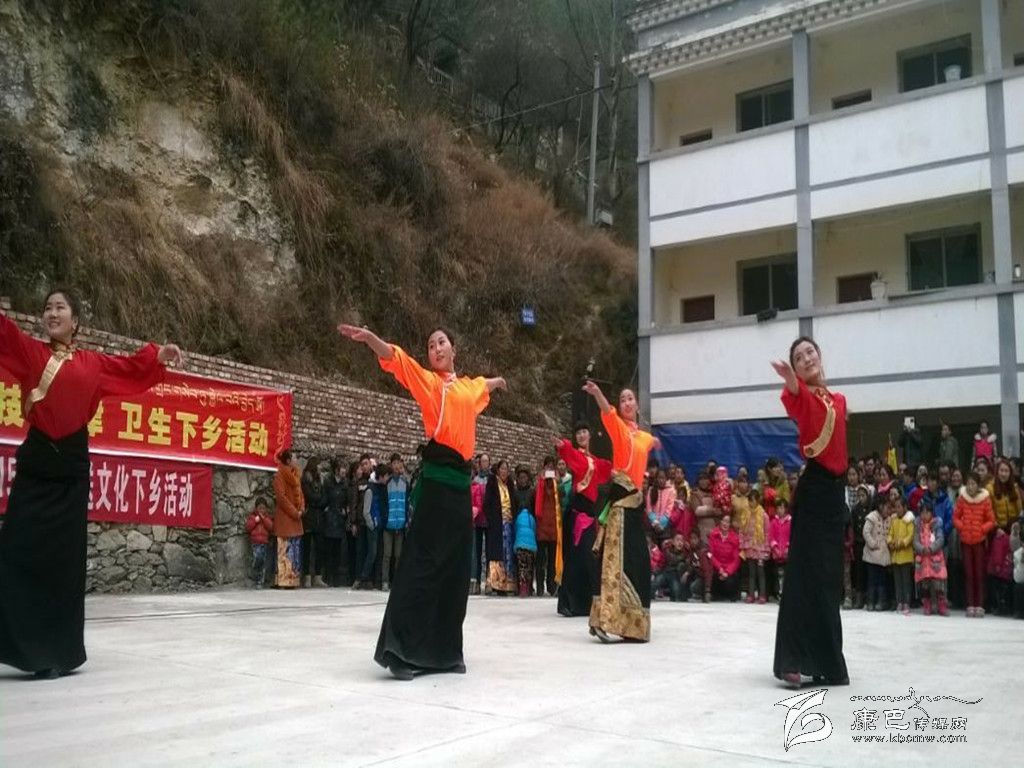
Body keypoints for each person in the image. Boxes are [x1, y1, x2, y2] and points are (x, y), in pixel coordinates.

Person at [0, 290, 181, 679]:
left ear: (75, 321)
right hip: (37, 465)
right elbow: (4, 334)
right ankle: (18, 645)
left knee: (63, 563)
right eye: (47, 308)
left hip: (71, 469)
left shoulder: (92, 364)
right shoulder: (30, 353)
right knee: (15, 550)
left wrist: (158, 357)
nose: (52, 313)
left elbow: (129, 369)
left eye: (60, 308)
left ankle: (56, 654)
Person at [338, 324, 506, 680]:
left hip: (460, 489)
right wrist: (372, 340)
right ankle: (398, 649)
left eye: (442, 342)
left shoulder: (468, 387)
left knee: (456, 570)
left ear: (453, 349)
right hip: (437, 486)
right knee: (421, 565)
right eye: (431, 345)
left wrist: (498, 381)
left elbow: (484, 386)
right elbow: (397, 360)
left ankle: (444, 653)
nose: (436, 348)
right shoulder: (430, 383)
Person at [771, 337, 850, 689]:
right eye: (798, 357)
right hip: (814, 490)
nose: (806, 359)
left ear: (820, 355)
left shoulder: (839, 401)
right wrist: (791, 380)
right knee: (803, 576)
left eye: (809, 352)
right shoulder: (801, 396)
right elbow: (794, 395)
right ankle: (792, 661)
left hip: (835, 496)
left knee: (829, 581)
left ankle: (827, 663)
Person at [582, 380, 660, 643]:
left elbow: (650, 444)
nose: (627, 403)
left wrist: (656, 442)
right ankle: (601, 619)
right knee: (612, 563)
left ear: (637, 405)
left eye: (630, 399)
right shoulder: (618, 428)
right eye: (623, 399)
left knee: (638, 563)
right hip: (620, 505)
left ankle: (631, 624)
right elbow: (607, 411)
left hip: (635, 506)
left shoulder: (644, 438)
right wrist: (597, 393)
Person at [554, 423, 612, 617]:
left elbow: (607, 469)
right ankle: (569, 604)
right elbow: (568, 452)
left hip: (590, 514)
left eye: (584, 432)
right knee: (576, 559)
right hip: (578, 512)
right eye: (578, 433)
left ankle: (586, 604)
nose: (581, 435)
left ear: (589, 435)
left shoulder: (594, 460)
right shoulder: (578, 456)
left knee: (588, 559)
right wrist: (562, 444)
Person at [953, 471, 996, 618]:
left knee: (979, 573)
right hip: (966, 541)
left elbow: (991, 520)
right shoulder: (962, 498)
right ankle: (970, 604)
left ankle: (980, 604)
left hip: (979, 541)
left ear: (978, 485)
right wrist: (962, 527)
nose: (971, 486)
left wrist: (982, 529)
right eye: (969, 483)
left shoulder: (985, 499)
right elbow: (955, 517)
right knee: (969, 573)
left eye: (973, 484)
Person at [484, 460, 518, 595]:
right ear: (498, 470)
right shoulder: (492, 483)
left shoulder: (510, 484)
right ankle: (496, 584)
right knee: (497, 553)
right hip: (497, 523)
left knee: (508, 554)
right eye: (502, 469)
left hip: (509, 524)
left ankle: (508, 585)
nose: (504, 471)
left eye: (506, 469)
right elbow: (486, 503)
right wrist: (492, 519)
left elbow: (513, 502)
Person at [733, 477, 769, 604]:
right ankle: (751, 594)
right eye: (749, 500)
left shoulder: (764, 516)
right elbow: (742, 531)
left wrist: (766, 549)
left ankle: (762, 595)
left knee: (760, 573)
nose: (751, 503)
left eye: (753, 500)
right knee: (751, 573)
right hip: (749, 548)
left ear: (758, 501)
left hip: (760, 549)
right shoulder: (745, 514)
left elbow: (767, 533)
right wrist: (742, 544)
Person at [273, 449, 305, 589]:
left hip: (296, 518)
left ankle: (293, 579)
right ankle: (284, 580)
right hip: (285, 518)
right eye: (294, 458)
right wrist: (294, 511)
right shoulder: (279, 475)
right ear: (288, 460)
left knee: (295, 551)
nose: (296, 460)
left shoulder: (296, 475)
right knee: (284, 551)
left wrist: (301, 508)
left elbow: (301, 494)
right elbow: (281, 498)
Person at [913, 499, 948, 616]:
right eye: (922, 512)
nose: (924, 515)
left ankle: (941, 605)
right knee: (925, 584)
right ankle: (927, 604)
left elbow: (940, 539)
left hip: (935, 560)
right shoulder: (918, 526)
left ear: (932, 513)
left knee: (938, 584)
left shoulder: (937, 525)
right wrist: (922, 549)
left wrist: (932, 548)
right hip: (923, 559)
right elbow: (915, 541)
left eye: (927, 512)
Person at [533, 457, 562, 598]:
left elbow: (562, 497)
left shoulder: (558, 483)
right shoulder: (540, 482)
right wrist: (542, 480)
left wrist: (558, 481)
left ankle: (552, 586)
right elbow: (537, 497)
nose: (550, 469)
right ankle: (539, 587)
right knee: (540, 559)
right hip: (542, 525)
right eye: (547, 466)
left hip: (554, 526)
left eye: (552, 466)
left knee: (552, 559)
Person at [382, 454, 411, 593]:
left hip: (400, 523)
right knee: (387, 555)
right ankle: (385, 581)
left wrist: (405, 520)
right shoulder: (387, 483)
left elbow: (407, 503)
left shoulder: (405, 483)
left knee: (399, 555)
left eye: (398, 463)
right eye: (394, 463)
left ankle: (397, 582)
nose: (396, 466)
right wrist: (385, 519)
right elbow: (384, 503)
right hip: (388, 524)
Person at [301, 456, 328, 588]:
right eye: (318, 465)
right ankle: (306, 576)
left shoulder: (321, 481)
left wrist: (318, 501)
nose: (320, 468)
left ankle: (318, 576)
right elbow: (309, 496)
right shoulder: (305, 480)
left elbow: (325, 498)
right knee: (307, 548)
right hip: (309, 517)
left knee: (320, 547)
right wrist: (317, 499)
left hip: (319, 517)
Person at [323, 458, 350, 587]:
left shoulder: (345, 484)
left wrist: (345, 509)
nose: (344, 471)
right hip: (330, 518)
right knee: (328, 550)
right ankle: (328, 576)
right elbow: (325, 498)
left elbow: (347, 500)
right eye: (341, 468)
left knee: (338, 551)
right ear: (336, 470)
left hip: (339, 519)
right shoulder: (328, 482)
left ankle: (335, 577)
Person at [887, 495, 915, 616]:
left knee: (906, 581)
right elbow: (890, 534)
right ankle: (899, 601)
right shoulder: (894, 520)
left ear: (905, 507)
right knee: (897, 581)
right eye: (896, 507)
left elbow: (910, 536)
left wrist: (901, 543)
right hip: (895, 556)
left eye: (899, 507)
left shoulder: (909, 521)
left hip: (906, 556)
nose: (897, 509)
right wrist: (890, 542)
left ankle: (906, 602)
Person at [705, 514, 741, 602]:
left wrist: (727, 572)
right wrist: (720, 568)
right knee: (712, 577)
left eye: (728, 522)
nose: (725, 524)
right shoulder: (713, 535)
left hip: (729, 570)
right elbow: (710, 554)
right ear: (720, 522)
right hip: (717, 568)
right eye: (724, 521)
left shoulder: (735, 538)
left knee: (730, 582)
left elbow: (736, 559)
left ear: (730, 524)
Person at [245, 498, 275, 588]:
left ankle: (260, 581)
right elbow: (248, 527)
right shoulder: (252, 517)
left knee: (262, 562)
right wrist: (255, 520)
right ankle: (256, 575)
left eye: (263, 508)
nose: (262, 510)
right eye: (260, 508)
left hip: (264, 542)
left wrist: (264, 519)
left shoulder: (267, 517)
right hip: (255, 543)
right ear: (256, 508)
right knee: (258, 558)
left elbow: (271, 527)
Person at [769, 499, 792, 600]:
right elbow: (771, 537)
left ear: (786, 509)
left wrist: (787, 548)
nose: (780, 510)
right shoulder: (774, 522)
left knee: (787, 575)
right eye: (778, 508)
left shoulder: (790, 522)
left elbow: (792, 536)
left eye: (782, 508)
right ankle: (777, 593)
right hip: (776, 553)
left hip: (787, 554)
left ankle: (787, 594)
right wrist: (775, 548)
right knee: (776, 574)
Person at [514, 504, 537, 598]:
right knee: (529, 567)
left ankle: (522, 587)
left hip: (520, 546)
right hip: (530, 547)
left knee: (521, 567)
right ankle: (528, 587)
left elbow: (516, 530)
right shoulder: (531, 518)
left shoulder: (518, 518)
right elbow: (534, 530)